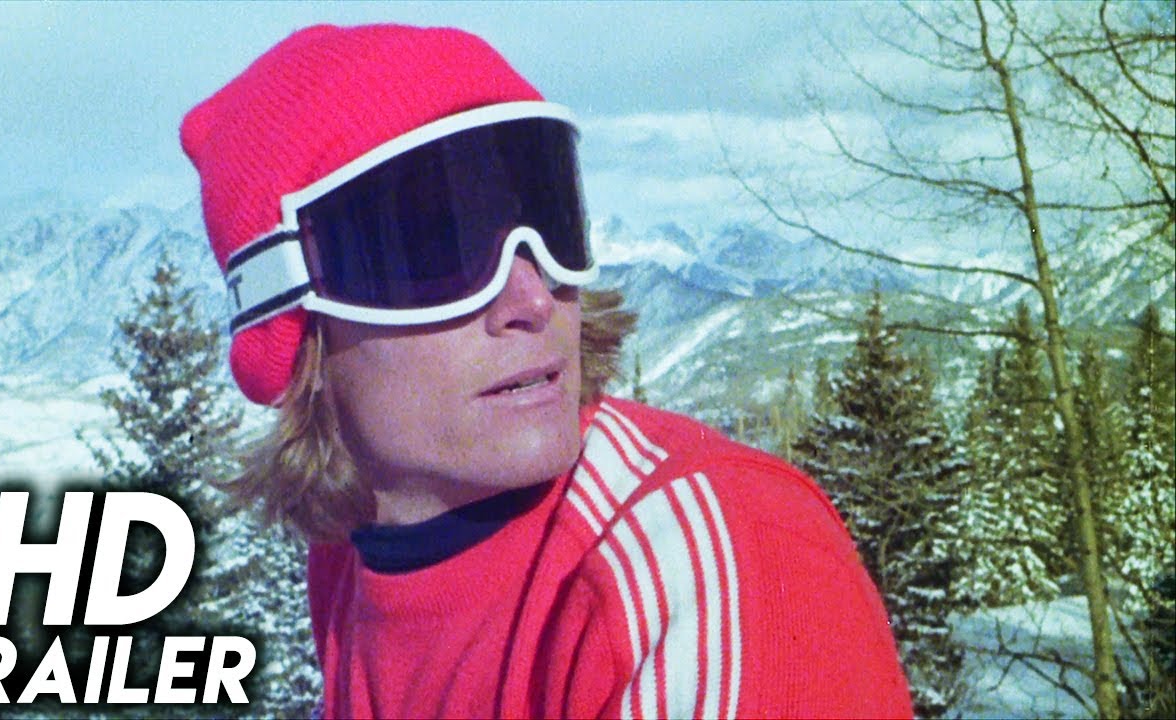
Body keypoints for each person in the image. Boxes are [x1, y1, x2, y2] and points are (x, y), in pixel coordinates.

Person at [181, 23, 914, 719]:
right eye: (435, 250)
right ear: (293, 324)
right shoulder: (354, 563)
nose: (532, 299)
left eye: (548, 223)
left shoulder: (717, 563)